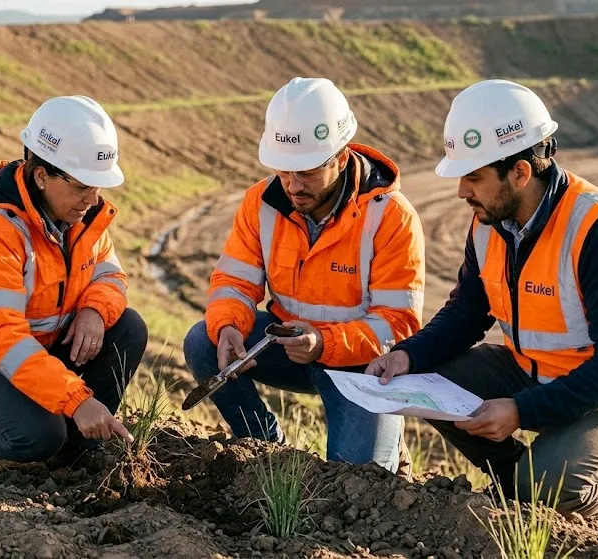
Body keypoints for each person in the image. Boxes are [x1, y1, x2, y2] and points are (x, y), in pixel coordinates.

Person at [365, 79, 598, 531]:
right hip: (537, 370)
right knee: (425, 383)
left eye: (473, 177)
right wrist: (406, 355)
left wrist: (522, 412)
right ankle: (522, 482)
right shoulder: (488, 224)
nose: (461, 191)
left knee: (547, 485)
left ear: (519, 171)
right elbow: (464, 315)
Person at [183, 77, 426, 473]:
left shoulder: (391, 216)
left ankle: (389, 445)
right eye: (284, 171)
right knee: (202, 341)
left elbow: (397, 326)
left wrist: (323, 344)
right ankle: (264, 449)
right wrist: (228, 325)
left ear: (342, 158)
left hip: (361, 365)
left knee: (359, 477)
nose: (293, 185)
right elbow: (234, 283)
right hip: (286, 345)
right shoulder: (260, 203)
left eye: (307, 172)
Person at [0, 95, 149, 484]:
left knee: (127, 328)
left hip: (38, 348)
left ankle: (77, 451)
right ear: (41, 174)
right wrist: (77, 400)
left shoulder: (82, 216)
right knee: (38, 435)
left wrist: (95, 311)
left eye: (97, 187)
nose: (92, 200)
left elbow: (110, 276)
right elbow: (5, 341)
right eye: (81, 187)